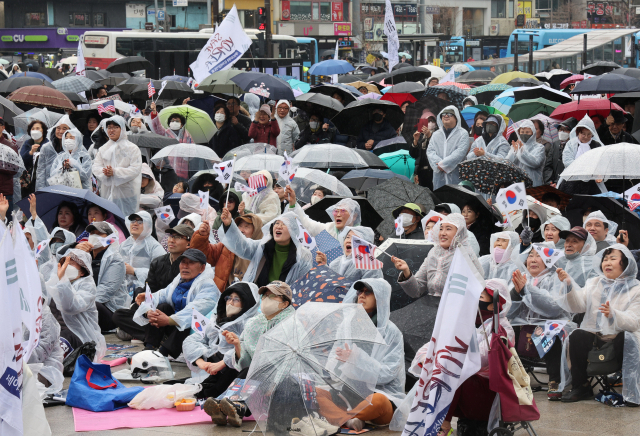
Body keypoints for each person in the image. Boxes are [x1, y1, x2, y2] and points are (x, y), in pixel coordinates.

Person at [316, 279, 405, 431]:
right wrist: (340, 361)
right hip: (348, 393)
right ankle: (350, 420)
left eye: (368, 292)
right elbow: (333, 364)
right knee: (315, 392)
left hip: (379, 392)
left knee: (378, 401)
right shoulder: (347, 325)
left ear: (380, 298)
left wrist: (357, 359)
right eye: (359, 292)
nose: (362, 295)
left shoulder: (391, 332)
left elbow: (389, 373)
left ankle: (340, 417)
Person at [556, 245, 640, 405]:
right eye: (605, 259)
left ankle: (631, 390)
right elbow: (577, 306)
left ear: (625, 263)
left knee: (627, 337)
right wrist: (568, 285)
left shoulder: (636, 288)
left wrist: (613, 315)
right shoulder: (594, 283)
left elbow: (634, 321)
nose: (607, 262)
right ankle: (581, 386)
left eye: (613, 258)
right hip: (596, 336)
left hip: (618, 338)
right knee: (577, 335)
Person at [431, 279, 514, 435]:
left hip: (490, 389)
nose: (474, 300)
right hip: (472, 386)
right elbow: (440, 343)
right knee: (434, 370)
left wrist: (451, 356)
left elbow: (482, 357)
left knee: (454, 372)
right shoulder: (470, 323)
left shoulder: (502, 328)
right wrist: (428, 357)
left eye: (480, 297)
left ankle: (444, 425)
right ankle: (433, 420)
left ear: (494, 305)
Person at [207, 281, 295, 427]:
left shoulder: (292, 324)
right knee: (249, 371)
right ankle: (228, 405)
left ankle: (236, 406)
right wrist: (237, 345)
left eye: (272, 296)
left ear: (285, 304)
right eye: (265, 295)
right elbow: (246, 362)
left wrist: (274, 382)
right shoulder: (254, 323)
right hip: (258, 375)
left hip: (285, 378)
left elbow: (292, 361)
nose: (266, 299)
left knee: (259, 373)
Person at [509, 242, 573, 401]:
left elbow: (554, 307)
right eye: (530, 255)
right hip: (526, 325)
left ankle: (554, 380)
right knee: (507, 329)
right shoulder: (521, 278)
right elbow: (509, 311)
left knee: (549, 331)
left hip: (553, 323)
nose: (533, 259)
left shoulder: (555, 278)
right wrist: (516, 293)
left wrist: (527, 289)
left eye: (539, 256)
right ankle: (513, 376)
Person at [132, 248, 219, 358]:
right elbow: (162, 295)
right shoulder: (178, 281)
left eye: (191, 263)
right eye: (183, 262)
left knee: (188, 319)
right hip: (173, 327)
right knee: (162, 307)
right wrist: (148, 305)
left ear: (202, 268)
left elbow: (194, 310)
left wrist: (168, 320)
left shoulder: (207, 285)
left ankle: (163, 352)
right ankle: (150, 347)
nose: (185, 266)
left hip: (199, 330)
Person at [114, 224, 192, 342]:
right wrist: (146, 307)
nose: (172, 240)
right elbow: (149, 289)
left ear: (188, 243)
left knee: (163, 307)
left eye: (178, 237)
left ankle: (152, 337)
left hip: (173, 312)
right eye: (171, 236)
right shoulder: (158, 262)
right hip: (153, 309)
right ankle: (157, 336)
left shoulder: (190, 265)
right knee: (118, 315)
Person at [183, 282, 259, 399]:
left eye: (236, 299)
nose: (230, 302)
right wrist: (202, 362)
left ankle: (214, 394)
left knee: (236, 366)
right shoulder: (217, 320)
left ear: (247, 302)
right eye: (229, 298)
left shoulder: (252, 323)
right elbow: (192, 340)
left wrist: (223, 363)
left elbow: (248, 351)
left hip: (232, 370)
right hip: (211, 368)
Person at [392, 213, 482, 297]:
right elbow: (416, 291)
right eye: (441, 229)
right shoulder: (434, 252)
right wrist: (406, 271)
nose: (443, 233)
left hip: (455, 306)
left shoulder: (465, 254)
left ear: (459, 232)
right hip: (431, 305)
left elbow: (475, 289)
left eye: (448, 229)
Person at [220, 210, 313, 286]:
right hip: (257, 297)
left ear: (293, 231)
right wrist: (229, 224)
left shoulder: (303, 258)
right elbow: (243, 246)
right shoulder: (263, 246)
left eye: (284, 224)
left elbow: (303, 286)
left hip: (282, 300)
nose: (279, 226)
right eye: (277, 223)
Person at [45, 248, 107, 361]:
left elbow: (71, 307)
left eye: (72, 263)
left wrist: (63, 281)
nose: (67, 266)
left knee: (59, 344)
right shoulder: (54, 283)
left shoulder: (87, 286)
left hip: (78, 334)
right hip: (55, 331)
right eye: (65, 262)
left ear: (82, 272)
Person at [191, 213, 264, 291]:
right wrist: (202, 236)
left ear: (257, 231)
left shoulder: (263, 254)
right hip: (222, 295)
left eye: (246, 227)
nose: (241, 230)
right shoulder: (227, 247)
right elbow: (202, 254)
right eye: (239, 226)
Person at [92, 116, 143, 216]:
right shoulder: (103, 149)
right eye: (109, 127)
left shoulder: (132, 148)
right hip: (108, 193)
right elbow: (96, 167)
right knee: (110, 220)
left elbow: (135, 169)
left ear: (122, 129)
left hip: (127, 193)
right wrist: (105, 172)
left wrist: (115, 172)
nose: (112, 130)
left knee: (127, 220)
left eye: (115, 127)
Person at [118, 211, 165, 302]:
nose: (135, 224)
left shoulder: (154, 247)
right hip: (122, 290)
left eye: (140, 221)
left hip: (143, 292)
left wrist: (135, 271)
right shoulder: (124, 245)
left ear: (148, 226)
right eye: (133, 221)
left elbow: (161, 273)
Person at [286, 188, 361, 239]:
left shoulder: (361, 235)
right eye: (336, 211)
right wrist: (293, 203)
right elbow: (307, 224)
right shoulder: (329, 229)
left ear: (354, 216)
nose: (338, 215)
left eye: (343, 211)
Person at [317, 226, 383, 281]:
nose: (349, 241)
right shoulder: (334, 263)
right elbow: (329, 283)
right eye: (348, 237)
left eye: (355, 239)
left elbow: (372, 289)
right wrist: (324, 265)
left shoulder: (370, 266)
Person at [427, 106, 470, 190]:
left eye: (450, 114)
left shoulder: (463, 133)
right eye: (443, 114)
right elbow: (430, 151)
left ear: (456, 117)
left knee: (455, 195)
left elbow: (460, 152)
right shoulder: (436, 134)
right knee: (439, 196)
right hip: (438, 176)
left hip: (455, 175)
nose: (446, 116)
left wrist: (444, 164)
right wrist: (438, 164)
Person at [560, 116, 604, 195]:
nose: (586, 137)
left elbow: (601, 162)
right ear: (578, 132)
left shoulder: (597, 145)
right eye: (583, 134)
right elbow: (567, 161)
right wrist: (583, 167)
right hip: (572, 180)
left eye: (589, 134)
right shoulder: (571, 144)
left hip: (591, 182)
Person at [36, 115, 75, 191]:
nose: (61, 131)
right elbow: (41, 171)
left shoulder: (73, 147)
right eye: (58, 128)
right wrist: (41, 190)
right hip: (48, 187)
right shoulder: (46, 147)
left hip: (68, 188)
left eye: (64, 128)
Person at [506, 120, 545, 187]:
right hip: (517, 184)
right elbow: (508, 163)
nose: (524, 134)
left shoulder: (539, 147)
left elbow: (536, 163)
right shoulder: (516, 146)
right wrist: (514, 152)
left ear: (533, 133)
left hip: (534, 184)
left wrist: (522, 152)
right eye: (522, 132)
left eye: (527, 132)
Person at [20, 120, 49, 196]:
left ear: (43, 131)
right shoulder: (27, 143)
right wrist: (30, 153)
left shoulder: (48, 145)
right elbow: (21, 160)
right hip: (28, 180)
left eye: (38, 128)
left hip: (42, 179)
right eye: (33, 129)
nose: (35, 131)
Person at [545, 117, 577, 187]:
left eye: (565, 130)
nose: (562, 132)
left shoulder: (575, 147)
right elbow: (548, 166)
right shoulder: (555, 145)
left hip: (567, 185)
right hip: (553, 184)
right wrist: (550, 182)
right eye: (560, 129)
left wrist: (559, 183)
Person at [411, 116, 437, 190]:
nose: (430, 123)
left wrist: (429, 137)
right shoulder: (420, 136)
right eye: (427, 121)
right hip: (421, 172)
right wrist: (415, 141)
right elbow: (414, 154)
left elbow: (434, 151)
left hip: (432, 172)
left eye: (432, 120)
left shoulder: (438, 135)